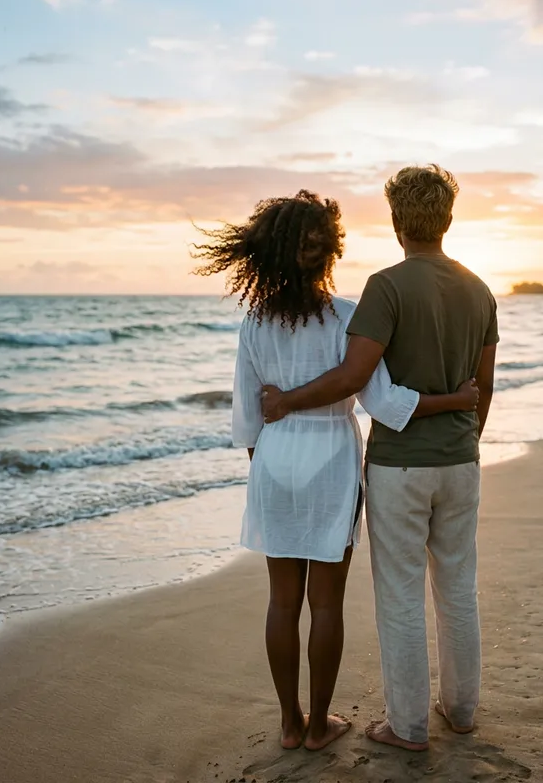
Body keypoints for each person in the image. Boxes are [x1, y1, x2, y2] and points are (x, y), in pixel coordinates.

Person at [192, 190, 478, 752]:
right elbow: (382, 400)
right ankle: (321, 724)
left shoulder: (253, 322)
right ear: (330, 254)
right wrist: (455, 400)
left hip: (274, 460)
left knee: (281, 601)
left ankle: (289, 724)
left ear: (267, 255)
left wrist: (267, 468)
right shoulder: (348, 316)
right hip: (331, 461)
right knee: (325, 603)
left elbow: (248, 418)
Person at [261, 165, 498, 751]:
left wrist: (285, 402)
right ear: (447, 219)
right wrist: (464, 438)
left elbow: (355, 376)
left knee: (400, 594)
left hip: (399, 467)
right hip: (460, 461)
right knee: (458, 588)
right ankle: (462, 710)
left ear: (397, 222)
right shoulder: (481, 290)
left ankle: (409, 727)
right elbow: (483, 388)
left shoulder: (387, 287)